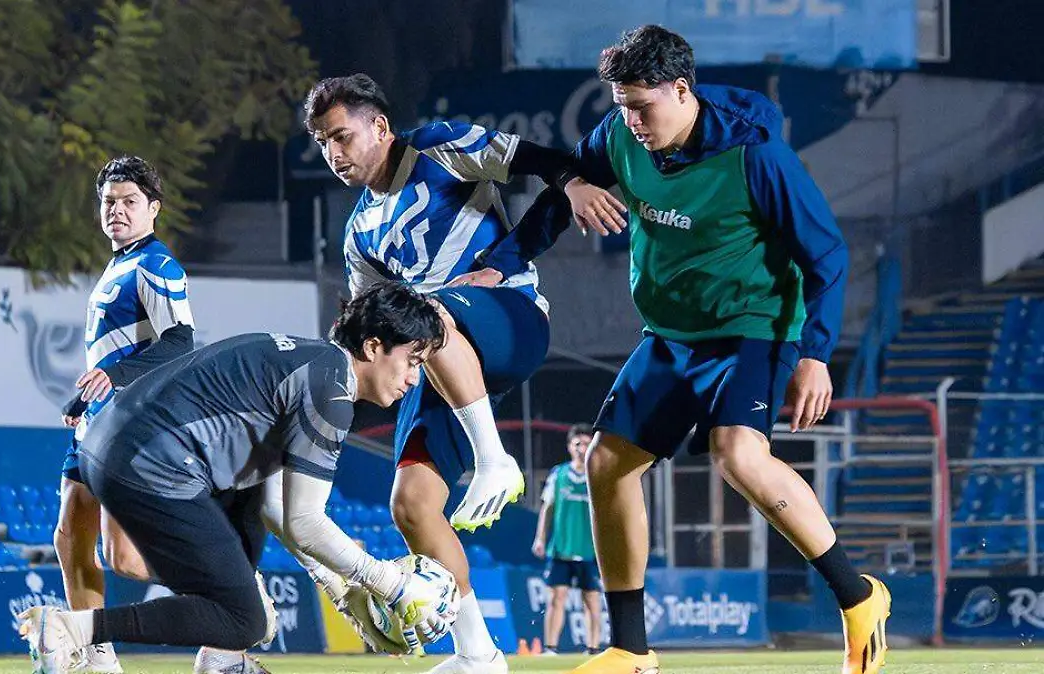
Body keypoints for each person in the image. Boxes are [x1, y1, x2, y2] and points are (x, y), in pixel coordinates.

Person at [470, 25, 891, 674]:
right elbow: (567, 190)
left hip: (754, 325)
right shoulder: (618, 135)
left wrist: (815, 354)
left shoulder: (756, 155)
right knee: (606, 465)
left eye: (642, 106)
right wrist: (503, 262)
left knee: (737, 453)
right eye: (620, 105)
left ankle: (858, 597)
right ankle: (629, 650)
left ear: (682, 90)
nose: (630, 120)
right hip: (671, 335)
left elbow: (826, 254)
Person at [304, 74, 615, 674]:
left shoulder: (440, 146)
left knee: (425, 312)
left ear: (379, 127)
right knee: (410, 503)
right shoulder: (357, 236)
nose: (333, 154)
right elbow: (375, 334)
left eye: (341, 136)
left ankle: (495, 458)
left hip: (510, 322)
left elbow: (541, 159)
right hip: (436, 360)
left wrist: (574, 186)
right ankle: (478, 655)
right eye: (322, 143)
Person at [19, 282, 457, 674]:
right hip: (149, 460)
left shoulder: (314, 363)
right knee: (246, 619)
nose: (412, 379)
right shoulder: (331, 389)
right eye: (411, 360)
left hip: (111, 446)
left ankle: (221, 661)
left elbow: (274, 505)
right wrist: (390, 584)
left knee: (246, 510)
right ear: (373, 346)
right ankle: (68, 629)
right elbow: (304, 521)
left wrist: (339, 588)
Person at [55, 155, 196, 674]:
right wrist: (86, 396)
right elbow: (113, 352)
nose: (116, 210)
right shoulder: (118, 265)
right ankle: (95, 657)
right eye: (109, 202)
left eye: (129, 201)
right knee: (70, 533)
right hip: (98, 418)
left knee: (125, 560)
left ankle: (228, 587)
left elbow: (182, 341)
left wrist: (115, 380)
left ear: (153, 209)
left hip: (131, 422)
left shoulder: (158, 264)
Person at [532, 424, 602, 656]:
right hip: (561, 548)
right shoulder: (558, 474)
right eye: (577, 444)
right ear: (569, 447)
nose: (582, 449)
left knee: (591, 601)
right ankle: (550, 648)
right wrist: (540, 538)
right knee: (556, 598)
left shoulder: (599, 475)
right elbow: (547, 508)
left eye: (586, 444)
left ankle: (593, 647)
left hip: (591, 549)